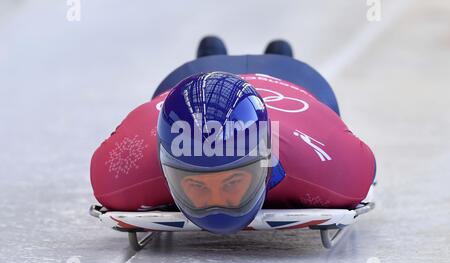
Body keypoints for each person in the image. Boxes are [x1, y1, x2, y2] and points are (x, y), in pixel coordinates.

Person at [90, 36, 376, 234]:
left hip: (285, 81)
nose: (218, 204)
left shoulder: (118, 179)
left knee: (217, 51)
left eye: (233, 182)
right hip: (288, 79)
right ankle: (276, 54)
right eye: (197, 186)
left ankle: (219, 54)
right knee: (280, 53)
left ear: (265, 160)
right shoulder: (338, 174)